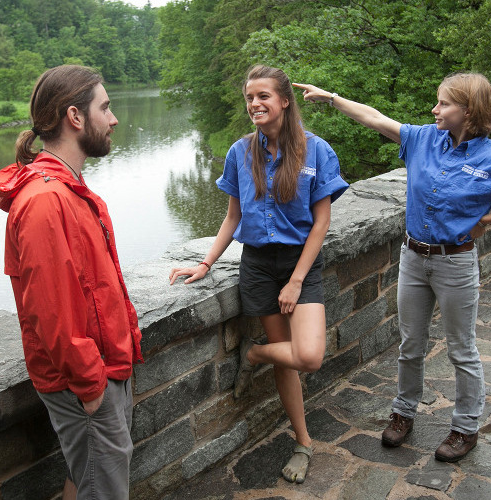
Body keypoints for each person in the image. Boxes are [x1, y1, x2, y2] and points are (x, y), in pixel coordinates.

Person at [293, 74, 491, 462]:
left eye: (443, 103)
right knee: (410, 345)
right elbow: (375, 119)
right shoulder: (424, 138)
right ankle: (403, 413)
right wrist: (331, 99)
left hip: (455, 263)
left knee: (462, 349)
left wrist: (487, 222)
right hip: (413, 259)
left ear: (469, 110)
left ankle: (465, 428)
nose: (435, 110)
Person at [169, 65, 349, 484]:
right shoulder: (239, 152)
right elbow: (233, 216)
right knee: (286, 358)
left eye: (263, 96)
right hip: (257, 266)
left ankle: (253, 354)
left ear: (284, 100)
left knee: (308, 356)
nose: (255, 104)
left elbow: (321, 223)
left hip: (299, 264)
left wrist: (297, 280)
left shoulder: (316, 151)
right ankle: (303, 442)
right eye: (250, 97)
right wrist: (205, 263)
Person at [0, 64, 143, 500]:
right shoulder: (44, 201)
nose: (113, 119)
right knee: (104, 491)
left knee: (86, 476)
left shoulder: (66, 188)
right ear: (75, 117)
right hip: (85, 380)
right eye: (105, 108)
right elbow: (50, 310)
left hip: (101, 368)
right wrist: (91, 385)